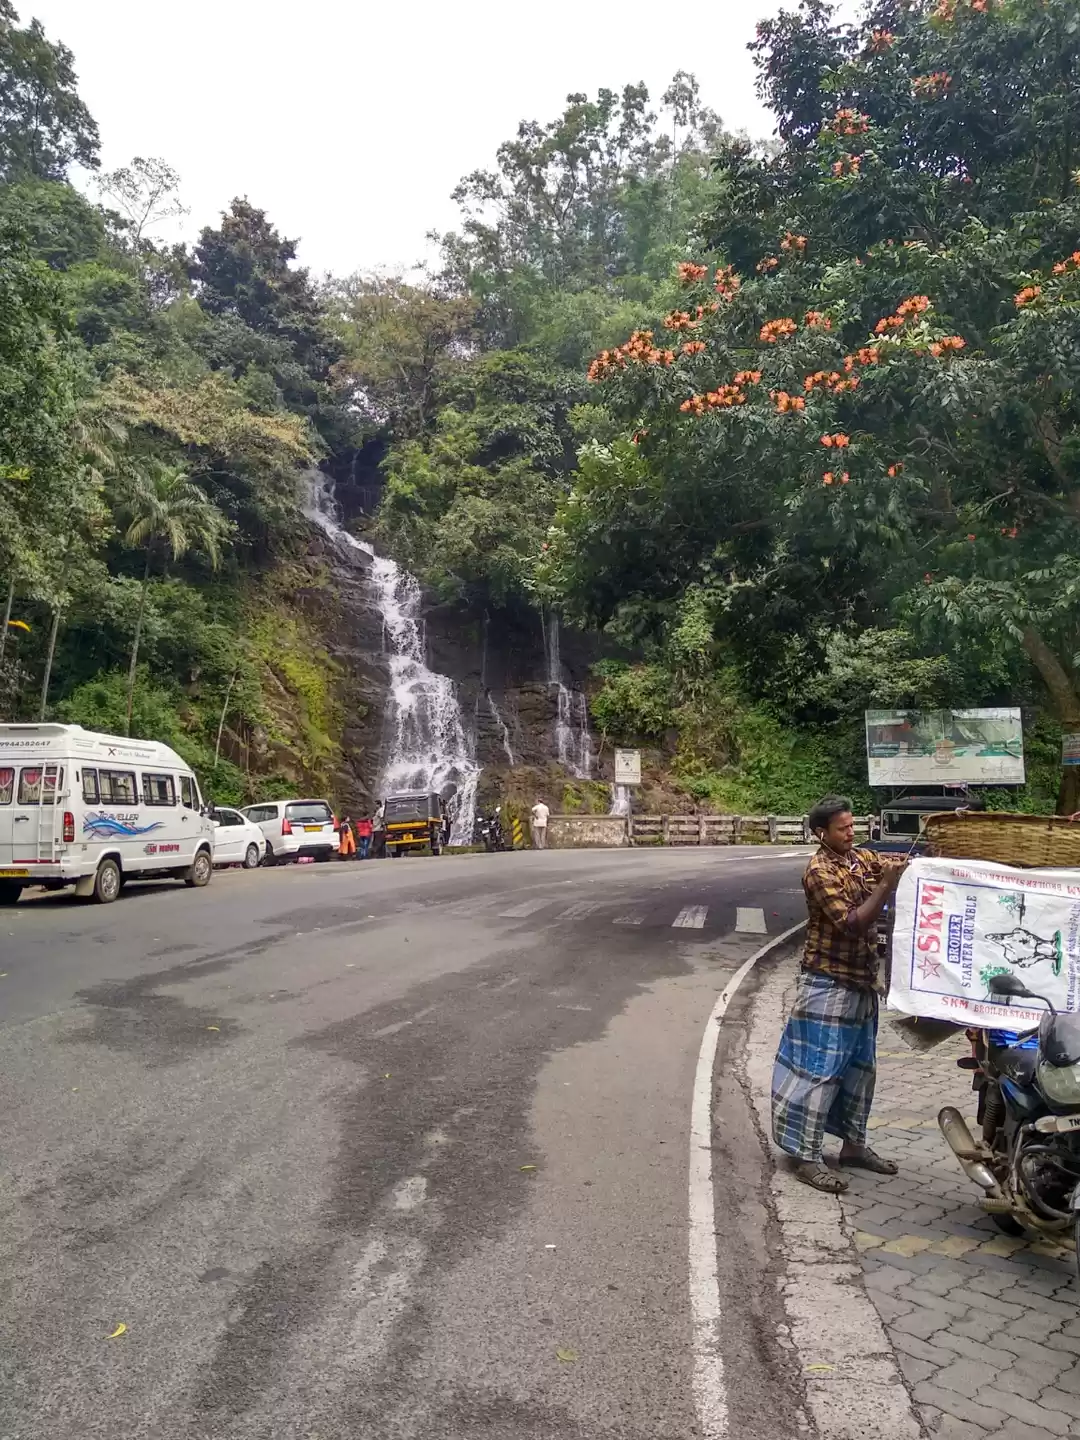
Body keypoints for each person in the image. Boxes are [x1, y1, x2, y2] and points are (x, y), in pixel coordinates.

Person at [771, 794, 905, 1193]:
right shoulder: (818, 871)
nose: (851, 833)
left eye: (852, 826)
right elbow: (852, 922)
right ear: (821, 833)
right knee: (818, 1071)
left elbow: (894, 867)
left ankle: (853, 1146)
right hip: (827, 982)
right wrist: (885, 885)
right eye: (843, 828)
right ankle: (807, 1157)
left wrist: (907, 868)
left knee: (861, 1069)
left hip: (862, 981)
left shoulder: (860, 858)